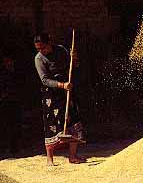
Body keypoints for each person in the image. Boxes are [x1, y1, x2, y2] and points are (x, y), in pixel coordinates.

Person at [34, 32, 85, 166]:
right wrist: (62, 85)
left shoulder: (61, 50)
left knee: (73, 119)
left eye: (43, 47)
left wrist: (74, 59)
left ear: (49, 43)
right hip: (51, 93)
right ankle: (50, 158)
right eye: (38, 49)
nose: (41, 51)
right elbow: (44, 80)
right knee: (51, 123)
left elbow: (72, 67)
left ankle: (73, 156)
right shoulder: (39, 59)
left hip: (66, 88)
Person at [0, 48, 22, 156]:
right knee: (6, 125)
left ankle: (15, 147)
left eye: (9, 61)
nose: (7, 63)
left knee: (16, 124)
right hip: (6, 101)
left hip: (15, 100)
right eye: (5, 61)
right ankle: (7, 147)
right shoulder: (3, 73)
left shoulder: (17, 72)